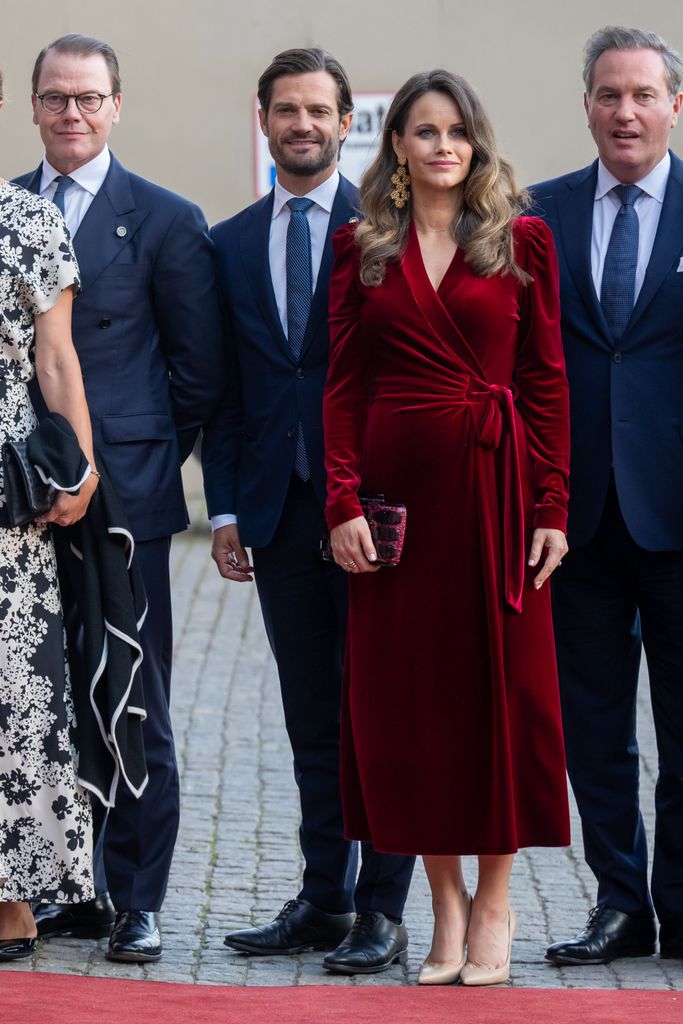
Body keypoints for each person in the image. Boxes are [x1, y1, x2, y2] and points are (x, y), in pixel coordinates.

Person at [323, 69, 571, 987]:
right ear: (396, 146)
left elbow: (545, 382)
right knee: (411, 707)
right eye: (422, 132)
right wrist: (342, 501)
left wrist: (552, 506)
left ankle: (496, 900)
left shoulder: (523, 241)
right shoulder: (361, 248)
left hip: (496, 497)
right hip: (398, 512)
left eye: (456, 131)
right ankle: (444, 903)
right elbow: (343, 385)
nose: (441, 147)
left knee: (501, 696)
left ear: (476, 143)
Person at [202, 47, 415, 975]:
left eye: (318, 111)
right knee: (310, 718)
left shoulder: (391, 230)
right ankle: (323, 897)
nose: (302, 124)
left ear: (344, 124)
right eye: (285, 110)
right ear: (264, 120)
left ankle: (382, 907)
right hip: (280, 513)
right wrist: (221, 514)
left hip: (374, 514)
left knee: (383, 712)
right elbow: (225, 389)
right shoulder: (232, 240)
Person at [14, 33, 225, 963]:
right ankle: (75, 887)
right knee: (46, 697)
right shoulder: (12, 210)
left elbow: (197, 373)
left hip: (126, 497)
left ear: (117, 105)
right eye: (57, 97)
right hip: (22, 505)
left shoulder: (168, 219)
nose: (73, 113)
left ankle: (137, 897)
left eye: (89, 98)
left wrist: (137, 460)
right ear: (34, 106)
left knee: (134, 692)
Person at [530, 25, 683, 966]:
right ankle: (620, 904)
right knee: (593, 732)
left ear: (675, 103)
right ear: (585, 104)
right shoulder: (538, 214)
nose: (624, 111)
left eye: (641, 94)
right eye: (607, 94)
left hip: (678, 519)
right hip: (574, 519)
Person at [0, 65, 99, 962]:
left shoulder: (26, 220)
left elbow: (58, 360)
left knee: (15, 699)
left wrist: (81, 463)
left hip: (3, 504)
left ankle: (10, 897)